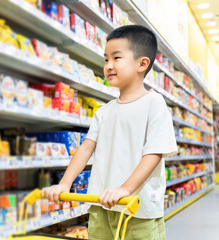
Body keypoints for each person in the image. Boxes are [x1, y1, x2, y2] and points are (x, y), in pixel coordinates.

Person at [42, 25, 178, 240]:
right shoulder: (104, 111)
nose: (109, 65)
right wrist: (65, 183)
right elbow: (86, 148)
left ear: (142, 64)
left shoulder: (154, 103)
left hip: (137, 208)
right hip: (101, 205)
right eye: (106, 59)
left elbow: (154, 153)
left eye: (116, 58)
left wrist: (125, 189)